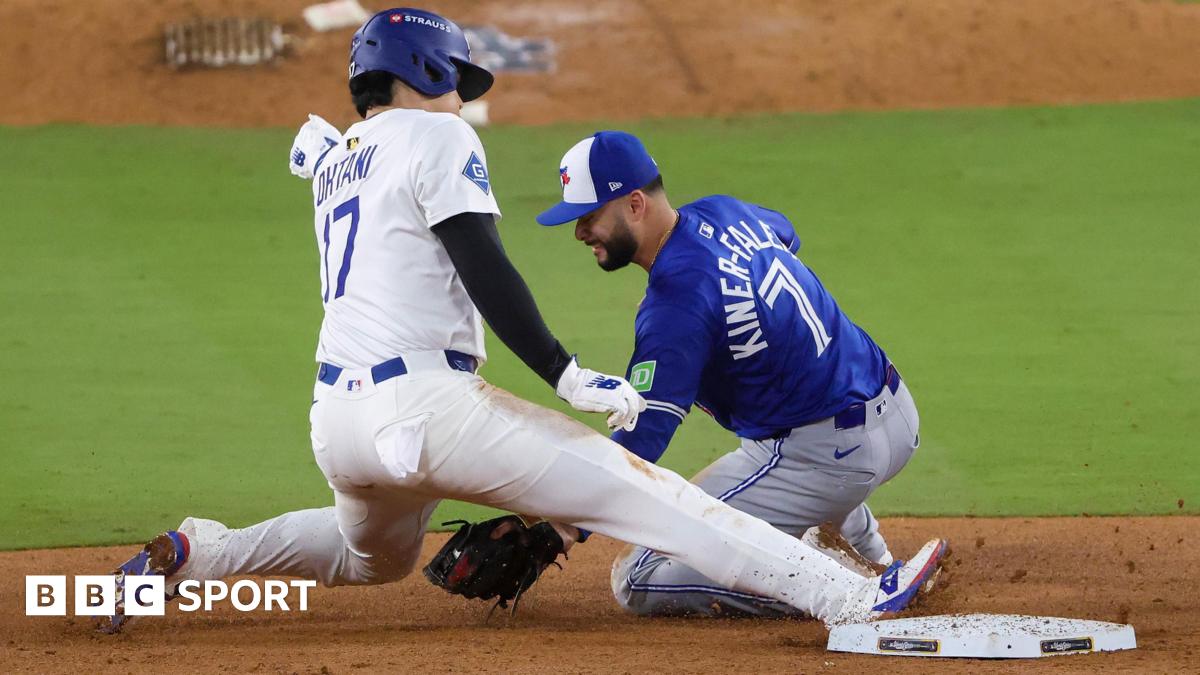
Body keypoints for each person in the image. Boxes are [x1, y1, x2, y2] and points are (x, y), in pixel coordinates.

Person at [102, 8, 945, 634]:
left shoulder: (340, 164)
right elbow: (485, 266)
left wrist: (328, 155)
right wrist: (563, 371)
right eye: (454, 82)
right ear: (425, 68)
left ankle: (198, 553)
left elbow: (361, 173)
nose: (460, 101)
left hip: (339, 423)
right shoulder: (438, 140)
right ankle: (853, 596)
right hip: (429, 410)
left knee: (368, 559)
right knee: (649, 495)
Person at [537, 131, 931, 617]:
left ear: (635, 204)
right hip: (894, 412)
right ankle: (874, 556)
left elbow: (644, 437)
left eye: (589, 216)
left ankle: (855, 589)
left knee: (637, 578)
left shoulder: (675, 306)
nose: (579, 232)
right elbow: (786, 235)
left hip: (824, 457)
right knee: (773, 437)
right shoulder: (725, 211)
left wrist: (564, 525)